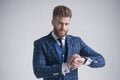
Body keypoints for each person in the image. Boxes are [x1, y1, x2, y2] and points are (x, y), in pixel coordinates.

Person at [33, 5, 105, 80]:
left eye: (66, 24)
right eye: (60, 23)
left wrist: (83, 60)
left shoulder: (77, 41)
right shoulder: (41, 43)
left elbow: (101, 60)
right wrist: (65, 66)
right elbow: (38, 71)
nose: (63, 28)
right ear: (53, 22)